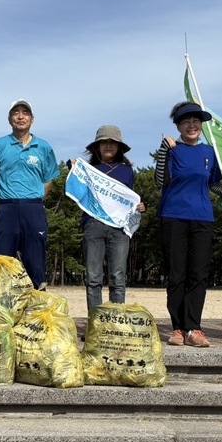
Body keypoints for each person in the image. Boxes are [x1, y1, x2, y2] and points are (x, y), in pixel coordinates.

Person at [155, 102, 222, 348]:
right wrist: (164, 151)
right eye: (186, 121)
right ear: (178, 126)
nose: (192, 125)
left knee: (198, 274)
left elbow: (214, 183)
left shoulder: (210, 152)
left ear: (202, 125)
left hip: (203, 217)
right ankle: (177, 328)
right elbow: (160, 180)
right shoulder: (172, 150)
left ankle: (194, 327)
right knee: (176, 274)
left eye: (196, 121)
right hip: (173, 216)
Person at [0, 100, 60, 290]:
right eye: (15, 113)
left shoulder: (43, 147)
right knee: (2, 259)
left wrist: (40, 195)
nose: (20, 116)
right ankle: (0, 299)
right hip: (7, 207)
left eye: (25, 113)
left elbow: (50, 177)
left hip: (33, 208)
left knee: (35, 259)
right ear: (10, 120)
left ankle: (38, 299)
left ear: (32, 119)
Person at [80, 125, 146, 311]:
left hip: (119, 228)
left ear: (119, 147)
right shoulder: (88, 169)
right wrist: (73, 169)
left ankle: (115, 323)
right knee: (93, 278)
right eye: (104, 142)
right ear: (97, 147)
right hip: (93, 225)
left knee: (118, 277)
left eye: (112, 142)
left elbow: (130, 199)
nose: (108, 146)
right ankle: (95, 323)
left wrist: (141, 206)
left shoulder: (127, 171)